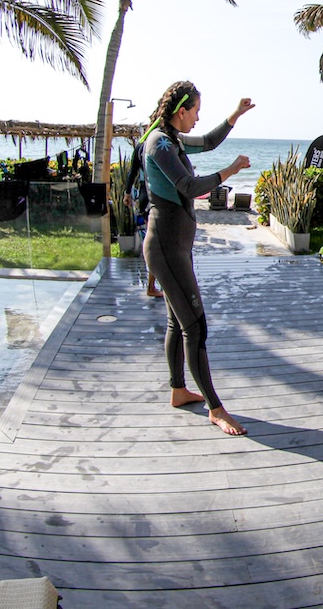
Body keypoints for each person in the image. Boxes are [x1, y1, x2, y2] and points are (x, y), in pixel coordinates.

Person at [142, 81, 253, 436]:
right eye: (196, 111)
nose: (198, 118)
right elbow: (189, 187)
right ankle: (215, 408)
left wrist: (234, 116)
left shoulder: (172, 139)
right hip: (165, 246)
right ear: (181, 111)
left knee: (178, 322)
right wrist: (230, 171)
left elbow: (207, 142)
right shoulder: (159, 143)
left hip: (175, 246)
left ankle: (178, 390)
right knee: (195, 326)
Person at [122, 139, 161, 298]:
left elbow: (132, 172)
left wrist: (127, 193)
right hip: (155, 197)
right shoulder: (161, 142)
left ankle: (153, 284)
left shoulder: (141, 145)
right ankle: (152, 285)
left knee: (154, 241)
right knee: (158, 243)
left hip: (145, 197)